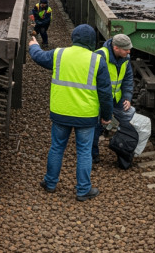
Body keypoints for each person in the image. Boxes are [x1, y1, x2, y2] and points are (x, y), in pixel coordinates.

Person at [28, 24, 112, 201]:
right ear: (91, 42)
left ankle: (50, 183)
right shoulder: (97, 60)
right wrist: (106, 116)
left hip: (61, 112)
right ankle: (83, 190)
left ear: (74, 38)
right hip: (86, 116)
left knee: (57, 147)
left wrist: (33, 45)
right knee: (84, 152)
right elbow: (105, 94)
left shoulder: (59, 54)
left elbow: (39, 57)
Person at [92, 34, 134, 164]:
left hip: (116, 99)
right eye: (126, 49)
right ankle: (93, 155)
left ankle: (124, 151)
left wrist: (127, 97)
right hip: (99, 99)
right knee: (95, 127)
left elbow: (127, 79)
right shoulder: (100, 56)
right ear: (116, 48)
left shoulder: (125, 58)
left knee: (130, 117)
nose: (129, 52)